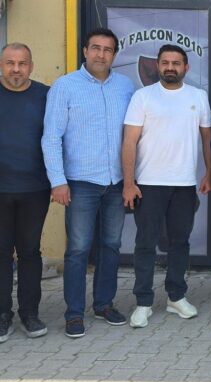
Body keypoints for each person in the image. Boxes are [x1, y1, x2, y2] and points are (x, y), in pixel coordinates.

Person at [41, 28, 134, 338]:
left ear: (114, 55)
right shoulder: (65, 86)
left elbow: (133, 135)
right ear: (85, 51)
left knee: (111, 246)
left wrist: (131, 178)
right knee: (78, 249)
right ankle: (74, 314)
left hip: (116, 182)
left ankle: (104, 304)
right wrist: (58, 181)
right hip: (80, 183)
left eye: (107, 50)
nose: (101, 55)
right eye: (95, 48)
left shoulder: (125, 86)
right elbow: (51, 137)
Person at [121, 44, 211, 328]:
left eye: (176, 63)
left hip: (184, 184)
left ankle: (176, 297)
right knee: (145, 243)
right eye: (165, 62)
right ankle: (143, 302)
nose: (170, 67)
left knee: (179, 243)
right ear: (157, 66)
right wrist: (128, 183)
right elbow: (129, 141)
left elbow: (207, 139)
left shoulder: (198, 96)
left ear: (186, 67)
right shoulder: (143, 97)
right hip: (149, 184)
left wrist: (209, 174)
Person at [0, 43, 50, 342]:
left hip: (35, 188)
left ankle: (29, 314)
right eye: (10, 63)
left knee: (30, 252)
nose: (16, 69)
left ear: (31, 65)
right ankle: (2, 314)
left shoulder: (45, 96)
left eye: (22, 63)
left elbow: (57, 138)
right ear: (1, 65)